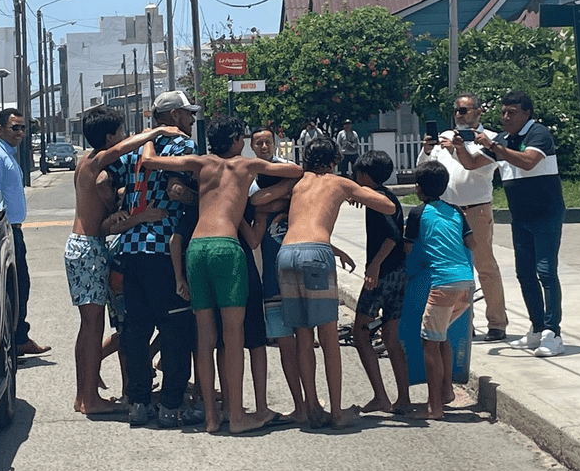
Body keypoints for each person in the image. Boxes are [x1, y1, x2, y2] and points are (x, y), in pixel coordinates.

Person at [141, 115, 304, 434]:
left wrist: (152, 133)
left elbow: (149, 162)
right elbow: (295, 171)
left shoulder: (199, 163)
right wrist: (269, 197)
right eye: (241, 137)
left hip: (197, 248)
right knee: (233, 336)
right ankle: (238, 416)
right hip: (226, 247)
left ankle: (213, 418)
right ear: (234, 141)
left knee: (205, 338)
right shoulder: (245, 166)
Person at [276, 136, 395, 429]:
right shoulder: (338, 182)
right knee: (328, 337)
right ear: (334, 161)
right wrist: (357, 191)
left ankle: (312, 407)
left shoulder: (298, 183)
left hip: (287, 253)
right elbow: (388, 207)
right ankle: (338, 413)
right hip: (316, 252)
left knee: (303, 336)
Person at [106, 90, 203, 428]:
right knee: (177, 329)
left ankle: (139, 402)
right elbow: (177, 191)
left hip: (130, 248)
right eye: (187, 114)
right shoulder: (182, 147)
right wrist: (204, 199)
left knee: (136, 330)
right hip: (165, 250)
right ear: (174, 116)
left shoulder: (134, 150)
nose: (191, 120)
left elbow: (111, 183)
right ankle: (171, 406)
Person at [66, 107, 167, 415]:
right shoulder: (96, 160)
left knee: (89, 325)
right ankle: (90, 399)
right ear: (109, 137)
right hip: (89, 247)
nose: (124, 137)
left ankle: (84, 394)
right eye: (121, 132)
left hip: (83, 246)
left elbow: (104, 193)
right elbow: (125, 148)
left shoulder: (85, 163)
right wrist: (158, 132)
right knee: (93, 324)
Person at [456, 91, 566, 357]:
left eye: (512, 112)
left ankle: (554, 333)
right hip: (521, 217)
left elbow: (528, 162)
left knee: (546, 272)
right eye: (503, 112)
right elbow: (472, 164)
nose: (505, 117)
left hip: (546, 214)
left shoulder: (538, 134)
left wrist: (494, 147)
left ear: (526, 113)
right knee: (524, 273)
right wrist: (460, 147)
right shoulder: (504, 140)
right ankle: (537, 328)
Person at [417, 93, 508, 341]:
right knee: (454, 270)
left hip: (476, 209)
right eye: (456, 110)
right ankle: (462, 324)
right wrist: (427, 150)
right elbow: (425, 168)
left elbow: (478, 167)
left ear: (478, 112)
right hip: (448, 211)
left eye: (465, 110)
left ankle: (497, 323)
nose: (459, 115)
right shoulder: (444, 137)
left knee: (484, 266)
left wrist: (458, 149)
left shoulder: (488, 140)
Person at [403, 160, 476, 420]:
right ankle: (445, 392)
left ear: (418, 188)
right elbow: (472, 242)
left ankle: (434, 408)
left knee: (428, 343)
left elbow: (408, 249)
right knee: (440, 336)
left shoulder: (417, 214)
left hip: (443, 284)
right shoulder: (456, 211)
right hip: (466, 284)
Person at [245, 126, 306, 422]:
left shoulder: (290, 171)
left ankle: (310, 403)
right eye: (259, 142)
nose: (264, 145)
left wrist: (279, 200)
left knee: (304, 339)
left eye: (268, 141)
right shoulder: (250, 181)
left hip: (298, 272)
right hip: (271, 275)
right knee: (286, 342)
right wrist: (276, 202)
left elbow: (301, 180)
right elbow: (255, 207)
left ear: (275, 143)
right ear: (252, 147)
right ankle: (300, 403)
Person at [0, 108, 51, 357]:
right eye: (15, 128)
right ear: (0, 129)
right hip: (5, 232)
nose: (20, 133)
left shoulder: (7, 154)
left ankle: (20, 337)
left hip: (15, 230)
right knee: (15, 287)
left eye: (23, 128)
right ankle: (13, 340)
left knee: (22, 285)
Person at [351, 151, 412, 415]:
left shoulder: (381, 202)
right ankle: (403, 399)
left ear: (365, 175)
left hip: (383, 273)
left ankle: (380, 396)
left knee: (360, 331)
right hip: (399, 272)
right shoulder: (386, 196)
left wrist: (374, 265)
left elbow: (393, 236)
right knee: (390, 335)